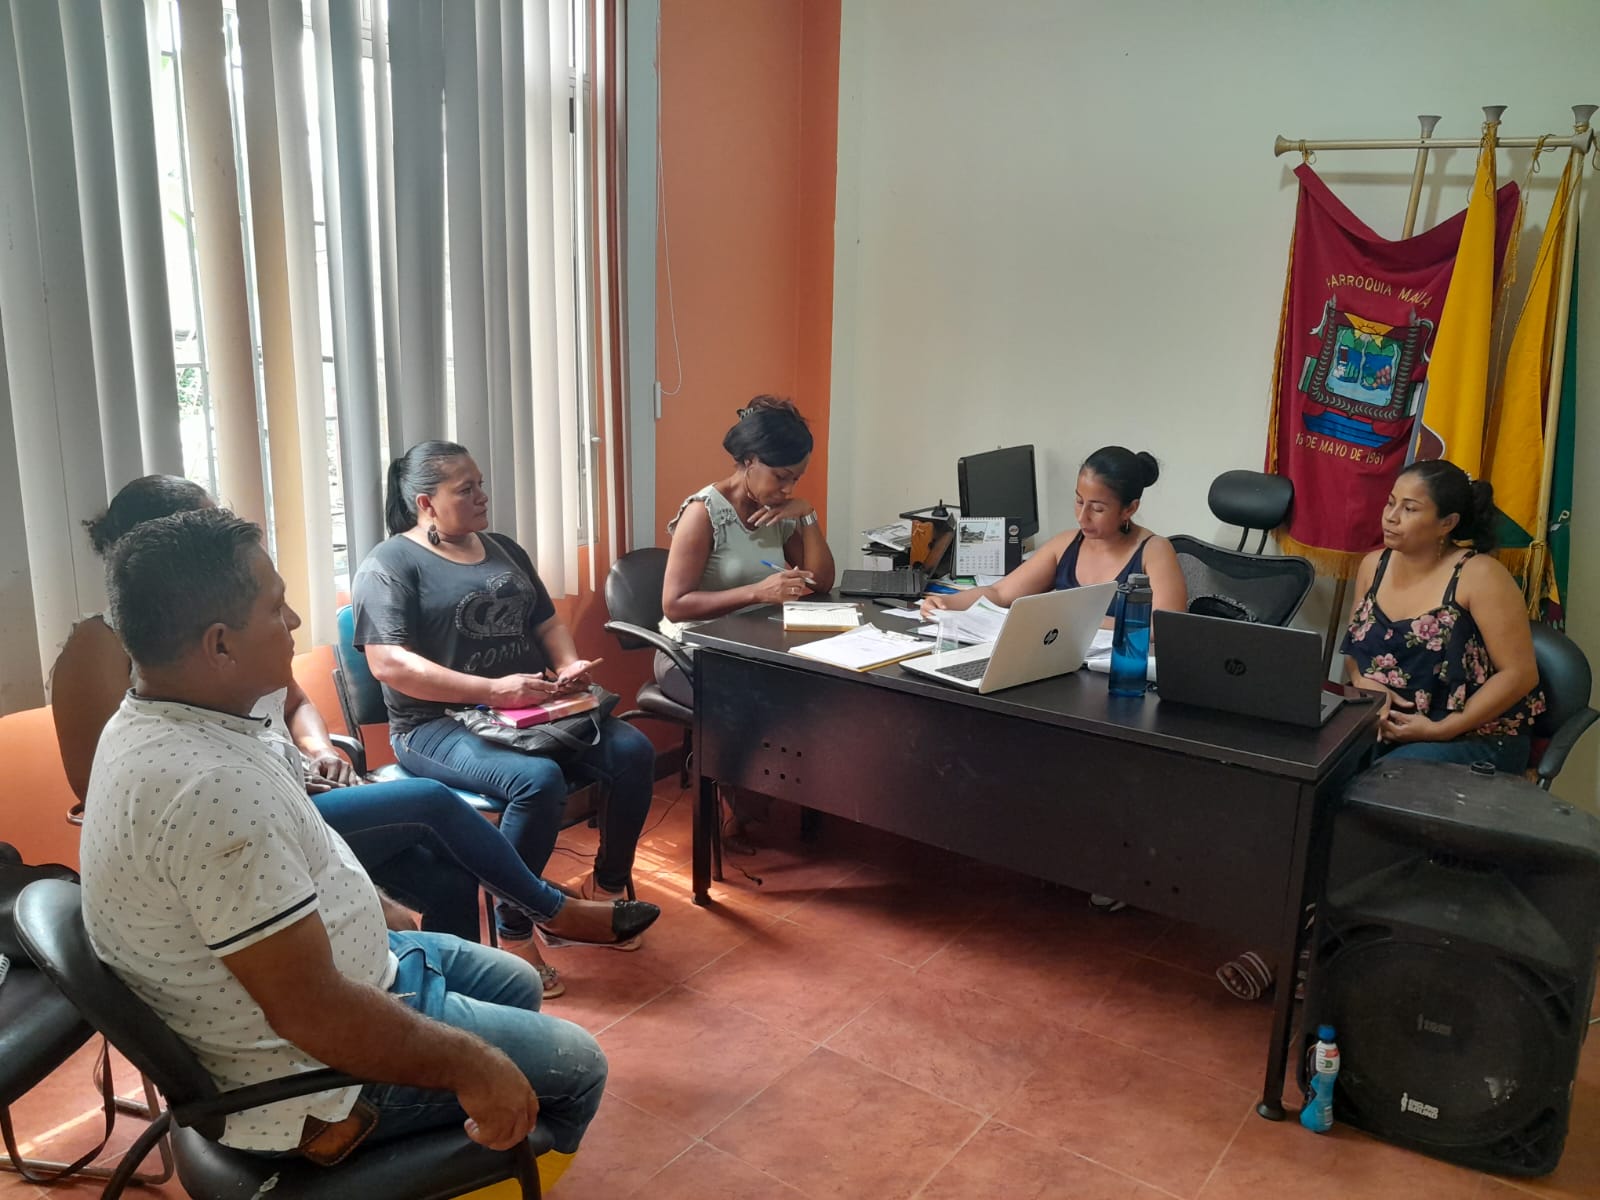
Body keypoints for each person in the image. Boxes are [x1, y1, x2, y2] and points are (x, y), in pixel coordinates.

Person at [79, 507, 613, 1178]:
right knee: (580, 1065)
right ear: (219, 646)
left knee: (514, 981)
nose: (295, 620)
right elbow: (312, 1013)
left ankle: (480, 1170)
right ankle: (495, 1170)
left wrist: (372, 910)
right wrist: (473, 1065)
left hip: (350, 973)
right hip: (310, 1081)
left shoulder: (177, 718)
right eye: (275, 608)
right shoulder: (210, 789)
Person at [53, 475, 648, 998]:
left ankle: (456, 1001)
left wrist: (318, 749)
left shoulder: (229, 626)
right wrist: (280, 781)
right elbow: (99, 785)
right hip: (245, 820)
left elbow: (294, 702)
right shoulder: (102, 644)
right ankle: (547, 908)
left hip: (298, 791)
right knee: (431, 802)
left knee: (449, 878)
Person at [352, 441, 656, 949]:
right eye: (465, 489)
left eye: (481, 484)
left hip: (529, 711)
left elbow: (547, 622)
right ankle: (516, 926)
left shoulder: (503, 548)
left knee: (633, 751)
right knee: (537, 781)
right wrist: (493, 690)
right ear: (426, 503)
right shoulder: (390, 564)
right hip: (435, 726)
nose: (482, 496)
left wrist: (567, 665)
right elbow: (389, 663)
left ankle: (603, 889)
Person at [659, 397, 835, 849]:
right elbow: (675, 604)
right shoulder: (703, 513)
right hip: (690, 654)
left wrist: (808, 515)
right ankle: (742, 806)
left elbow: (821, 581)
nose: (787, 487)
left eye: (796, 479)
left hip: (752, 648)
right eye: (781, 476)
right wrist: (757, 592)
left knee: (825, 690)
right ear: (750, 461)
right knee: (759, 702)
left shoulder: (776, 512)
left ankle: (785, 796)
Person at [1342, 459, 1544, 771]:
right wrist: (1364, 682)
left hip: (1471, 735)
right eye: (1391, 503)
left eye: (1410, 509)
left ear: (1447, 523)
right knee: (1318, 766)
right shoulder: (1374, 565)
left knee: (1387, 780)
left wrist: (1440, 730)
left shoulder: (1480, 575)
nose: (1391, 517)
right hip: (1388, 724)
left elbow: (1520, 675)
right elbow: (1355, 648)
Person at [920, 446, 1187, 625]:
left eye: (1097, 509)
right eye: (1079, 501)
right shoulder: (1066, 544)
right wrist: (946, 603)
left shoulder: (1154, 551)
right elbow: (1000, 593)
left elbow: (1162, 629)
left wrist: (1075, 621)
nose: (1082, 517)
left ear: (1130, 509)